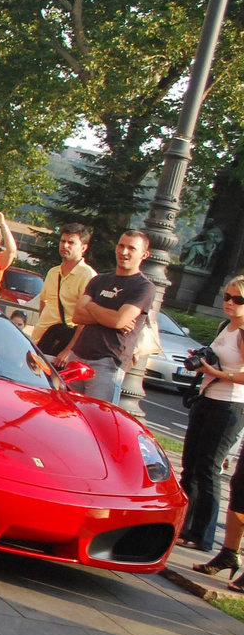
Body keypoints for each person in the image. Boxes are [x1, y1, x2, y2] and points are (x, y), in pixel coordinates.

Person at [179, 275, 244, 557]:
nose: (229, 303)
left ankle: (203, 536)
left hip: (228, 407)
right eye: (226, 297)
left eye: (237, 299)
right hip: (207, 401)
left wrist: (216, 373)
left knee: (208, 469)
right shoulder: (225, 327)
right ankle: (184, 527)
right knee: (190, 466)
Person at [55, 230, 156, 405]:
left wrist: (93, 307)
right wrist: (111, 316)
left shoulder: (144, 287)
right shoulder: (99, 280)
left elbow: (118, 321)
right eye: (121, 246)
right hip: (77, 357)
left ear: (144, 254)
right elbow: (78, 315)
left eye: (131, 248)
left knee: (96, 419)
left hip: (108, 363)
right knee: (64, 413)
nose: (123, 252)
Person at [30, 224, 96, 353]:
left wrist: (68, 351)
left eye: (71, 242)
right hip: (40, 339)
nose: (65, 245)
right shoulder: (53, 272)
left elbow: (85, 318)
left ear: (83, 247)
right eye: (63, 241)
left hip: (61, 344)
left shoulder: (88, 275)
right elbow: (44, 302)